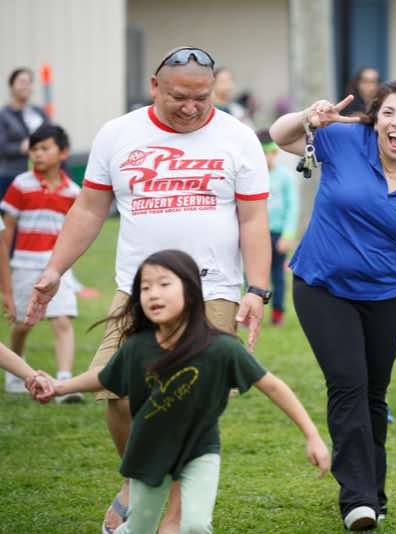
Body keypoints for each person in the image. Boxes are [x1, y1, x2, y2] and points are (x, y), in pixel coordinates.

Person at [24, 46, 271, 533]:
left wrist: (257, 289)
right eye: (180, 97)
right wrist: (55, 269)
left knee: (187, 403)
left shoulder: (237, 137)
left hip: (211, 290)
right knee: (116, 392)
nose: (192, 108)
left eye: (202, 97)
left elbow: (253, 218)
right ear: (155, 87)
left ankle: (172, 512)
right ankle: (140, 481)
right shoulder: (118, 134)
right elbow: (90, 209)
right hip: (138, 290)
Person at [270, 80, 396, 530]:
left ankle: (374, 491)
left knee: (374, 393)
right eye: (388, 113)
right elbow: (279, 135)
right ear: (375, 120)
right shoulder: (346, 140)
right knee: (348, 384)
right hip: (322, 286)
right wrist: (308, 117)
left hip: (386, 294)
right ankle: (357, 499)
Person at [30, 250, 330, 533]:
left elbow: (272, 386)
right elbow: (105, 377)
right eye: (145, 287)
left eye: (164, 284)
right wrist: (60, 386)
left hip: (200, 453)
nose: (153, 293)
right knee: (139, 528)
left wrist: (312, 436)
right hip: (149, 451)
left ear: (191, 291)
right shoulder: (138, 346)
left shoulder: (221, 347)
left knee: (195, 526)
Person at [1, 124, 82, 402]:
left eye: (45, 148)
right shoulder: (21, 185)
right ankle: (16, 371)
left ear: (63, 153)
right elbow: (6, 233)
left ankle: (63, 383)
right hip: (24, 266)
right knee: (23, 325)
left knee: (62, 320)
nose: (37, 154)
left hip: (57, 269)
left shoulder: (73, 192)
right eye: (34, 149)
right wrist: (6, 283)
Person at [256, 129, 299, 326]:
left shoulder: (285, 176)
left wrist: (288, 235)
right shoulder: (252, 177)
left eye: (269, 153)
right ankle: (253, 311)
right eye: (262, 153)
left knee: (277, 276)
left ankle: (277, 312)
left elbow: (292, 207)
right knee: (254, 275)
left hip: (277, 234)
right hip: (257, 234)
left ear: (275, 153)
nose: (266, 158)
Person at [0, 68, 49, 201]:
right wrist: (20, 147)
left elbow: (52, 135)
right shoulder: (4, 115)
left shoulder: (38, 112)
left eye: (29, 82)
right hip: (11, 175)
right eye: (22, 82)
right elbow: (2, 147)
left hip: (39, 174)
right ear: (11, 86)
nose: (26, 86)